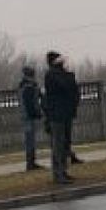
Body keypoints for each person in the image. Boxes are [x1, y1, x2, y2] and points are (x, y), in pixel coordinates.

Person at [43, 51, 78, 184]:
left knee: (65, 144)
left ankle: (63, 170)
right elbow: (64, 86)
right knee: (58, 144)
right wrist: (69, 75)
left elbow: (73, 88)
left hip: (66, 113)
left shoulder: (64, 74)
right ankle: (58, 173)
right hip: (56, 115)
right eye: (59, 59)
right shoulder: (51, 75)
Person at [18, 66, 44, 171]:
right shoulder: (29, 86)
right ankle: (31, 163)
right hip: (29, 117)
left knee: (30, 140)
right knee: (30, 140)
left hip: (25, 116)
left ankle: (31, 162)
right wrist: (37, 114)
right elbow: (31, 104)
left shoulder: (22, 86)